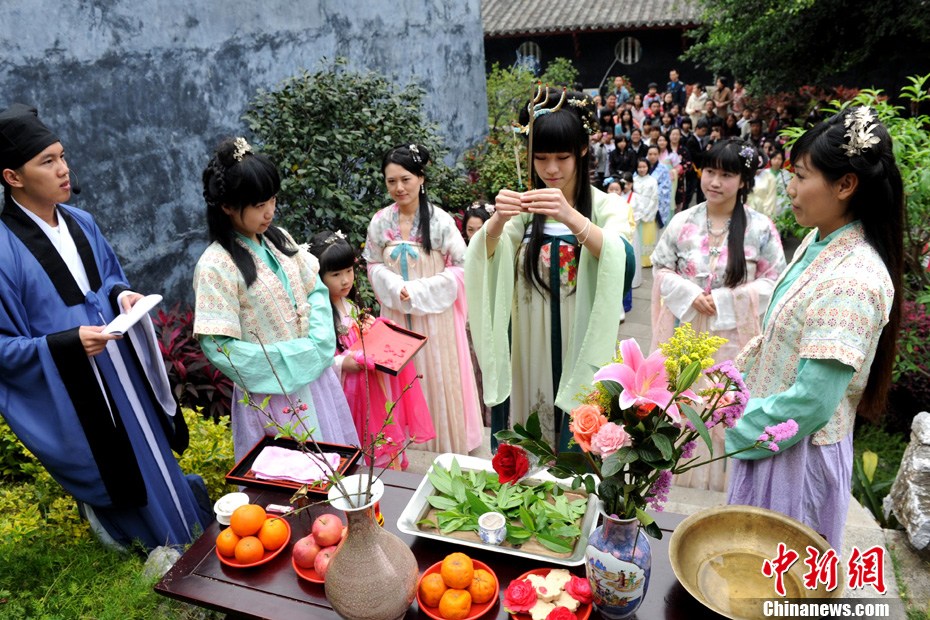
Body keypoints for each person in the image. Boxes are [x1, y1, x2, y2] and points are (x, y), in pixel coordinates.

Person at [0, 103, 211, 551]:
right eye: (48, 161)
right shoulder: (3, 251)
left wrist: (121, 296)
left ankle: (188, 539)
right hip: (79, 384)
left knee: (153, 458)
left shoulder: (82, 222)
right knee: (122, 468)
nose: (64, 170)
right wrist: (65, 344)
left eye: (62, 156)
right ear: (12, 177)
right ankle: (145, 550)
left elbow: (108, 280)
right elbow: (5, 346)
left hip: (122, 367)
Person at [725, 107, 902, 551]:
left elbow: (813, 401)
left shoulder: (853, 278)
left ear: (845, 185)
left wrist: (735, 421)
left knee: (775, 583)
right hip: (775, 439)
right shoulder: (822, 238)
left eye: (801, 177)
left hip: (794, 457)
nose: (791, 189)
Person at [465, 90, 634, 452]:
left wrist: (570, 216)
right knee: (532, 437)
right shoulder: (526, 211)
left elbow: (624, 258)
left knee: (579, 446)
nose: (551, 169)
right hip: (529, 340)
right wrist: (497, 219)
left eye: (562, 157)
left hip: (582, 332)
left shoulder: (607, 207)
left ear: (583, 151)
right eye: (541, 158)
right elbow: (486, 256)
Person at [194, 138, 358, 463]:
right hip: (270, 395)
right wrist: (301, 356)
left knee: (335, 465)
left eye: (272, 199)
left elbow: (315, 287)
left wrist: (320, 342)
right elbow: (219, 345)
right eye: (258, 205)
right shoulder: (215, 266)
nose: (269, 211)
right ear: (227, 206)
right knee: (291, 486)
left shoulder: (279, 238)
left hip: (317, 380)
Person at [651, 139, 787, 491]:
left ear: (743, 180)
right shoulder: (682, 223)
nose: (714, 181)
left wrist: (728, 299)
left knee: (726, 406)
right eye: (709, 171)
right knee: (686, 403)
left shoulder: (760, 228)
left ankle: (728, 485)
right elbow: (662, 267)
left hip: (736, 341)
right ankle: (676, 480)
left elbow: (777, 280)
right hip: (688, 334)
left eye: (726, 174)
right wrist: (690, 294)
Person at [364, 144, 483, 454]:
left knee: (437, 378)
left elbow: (463, 266)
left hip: (435, 321)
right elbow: (373, 263)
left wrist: (417, 291)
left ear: (421, 178)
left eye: (405, 179)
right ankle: (405, 451)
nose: (399, 188)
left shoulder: (441, 222)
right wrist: (392, 284)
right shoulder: (380, 222)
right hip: (394, 316)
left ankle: (444, 448)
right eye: (391, 181)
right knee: (401, 379)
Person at [309, 231, 434, 469]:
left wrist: (378, 331)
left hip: (369, 387)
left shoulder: (351, 305)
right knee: (358, 435)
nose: (345, 280)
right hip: (348, 391)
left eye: (348, 271)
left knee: (379, 430)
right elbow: (319, 358)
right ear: (318, 277)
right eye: (336, 274)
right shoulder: (318, 315)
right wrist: (343, 362)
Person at [633, 157, 659, 268]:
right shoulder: (634, 180)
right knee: (637, 237)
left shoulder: (653, 181)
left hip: (649, 211)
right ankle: (637, 258)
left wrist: (647, 211)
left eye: (644, 167)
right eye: (640, 167)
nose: (642, 169)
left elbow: (654, 198)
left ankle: (647, 260)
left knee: (648, 237)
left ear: (648, 167)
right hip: (637, 211)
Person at [646, 144, 672, 228]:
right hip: (644, 200)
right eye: (650, 154)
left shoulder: (664, 168)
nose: (652, 156)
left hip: (658, 200)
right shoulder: (642, 167)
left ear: (658, 155)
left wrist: (653, 193)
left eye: (655, 154)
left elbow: (666, 186)